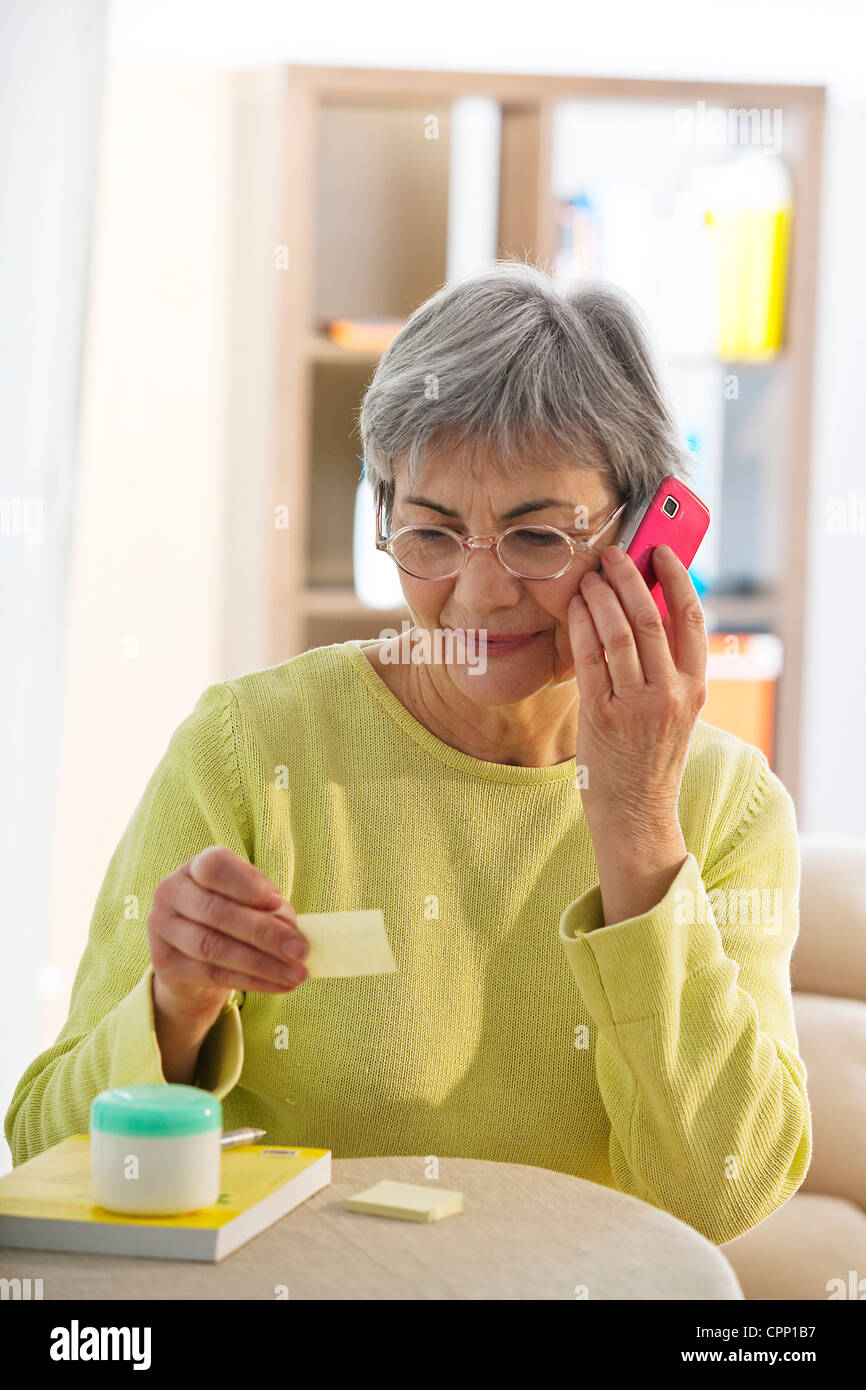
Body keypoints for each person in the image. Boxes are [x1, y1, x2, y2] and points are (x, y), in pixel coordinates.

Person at [5, 260, 810, 1246]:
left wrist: (636, 823)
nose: (475, 595)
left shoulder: (725, 806)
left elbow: (720, 1195)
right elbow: (45, 1151)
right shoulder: (250, 749)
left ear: (644, 539)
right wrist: (173, 1011)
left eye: (534, 537)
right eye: (428, 532)